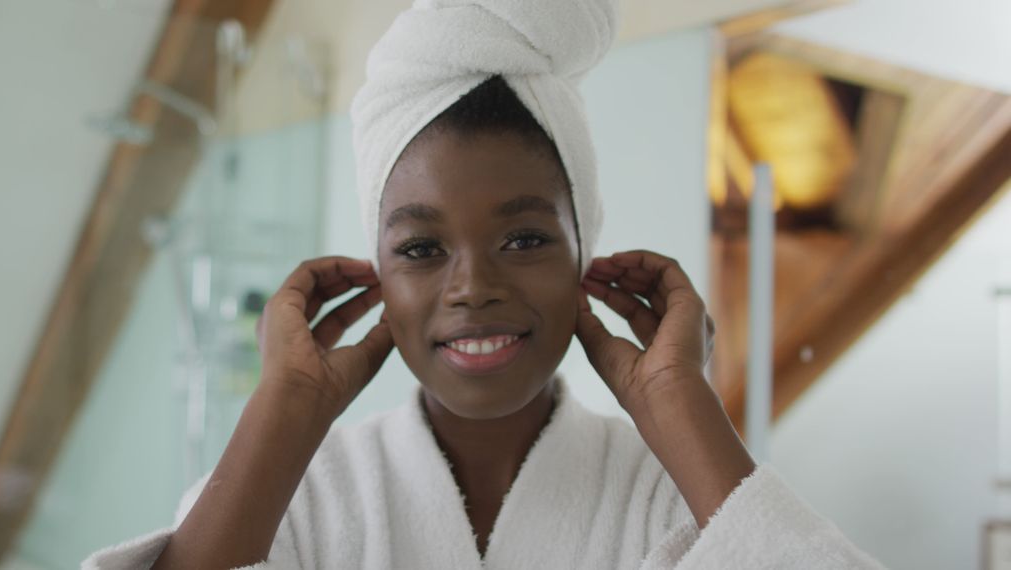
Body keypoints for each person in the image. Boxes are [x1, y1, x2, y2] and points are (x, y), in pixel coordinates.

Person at [84, 0, 884, 568]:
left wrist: (679, 402)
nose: (472, 286)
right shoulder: (295, 497)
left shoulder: (679, 499)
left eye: (526, 238)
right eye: (422, 249)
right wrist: (284, 409)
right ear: (377, 276)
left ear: (587, 259)